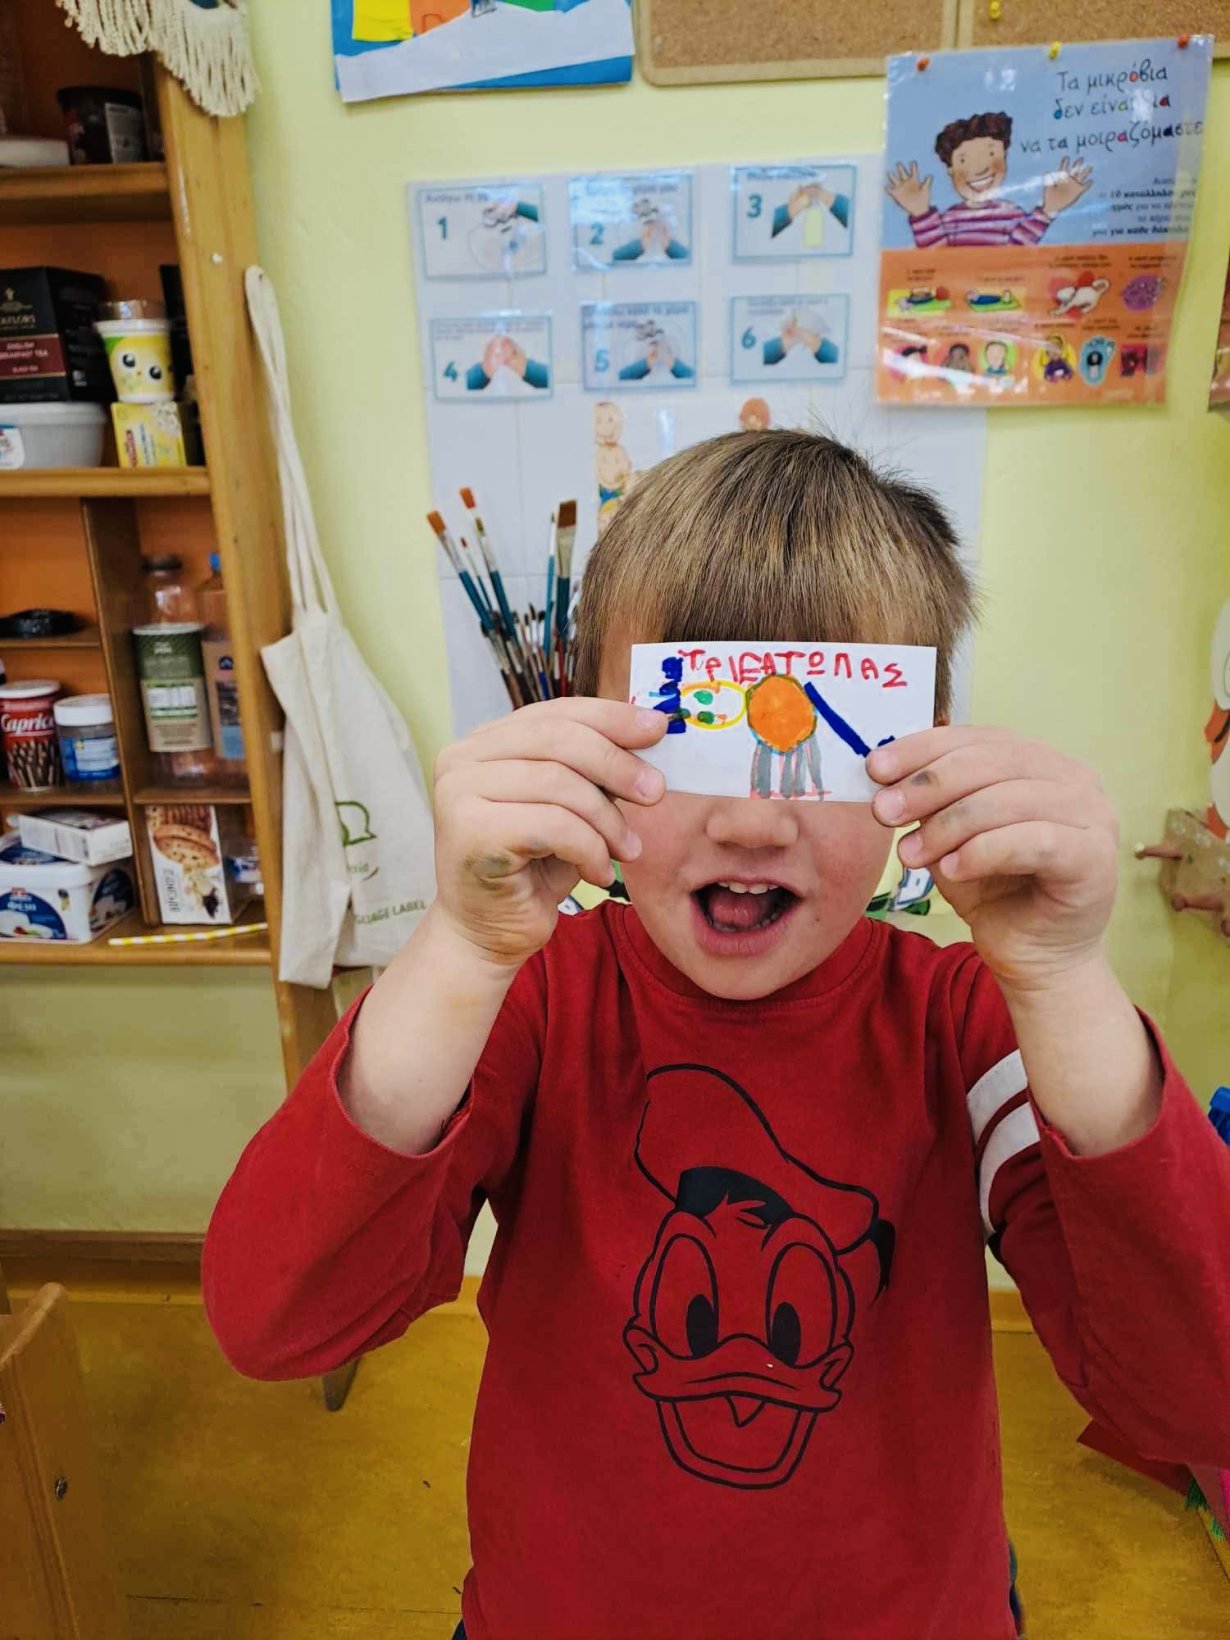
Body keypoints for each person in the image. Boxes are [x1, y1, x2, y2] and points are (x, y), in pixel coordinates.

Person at [204, 432, 1230, 1640]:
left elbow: (1200, 1396)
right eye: (689, 730)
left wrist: (1061, 975)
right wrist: (463, 946)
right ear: (587, 735)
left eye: (821, 746)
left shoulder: (970, 1024)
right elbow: (279, 1318)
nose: (750, 819)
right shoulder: (532, 999)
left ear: (922, 756)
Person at [886, 112, 1092, 249]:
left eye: (991, 154)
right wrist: (921, 214)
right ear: (950, 169)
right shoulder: (949, 219)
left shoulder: (1012, 215)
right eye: (964, 160)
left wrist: (1049, 210)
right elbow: (938, 261)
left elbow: (1016, 256)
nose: (980, 169)